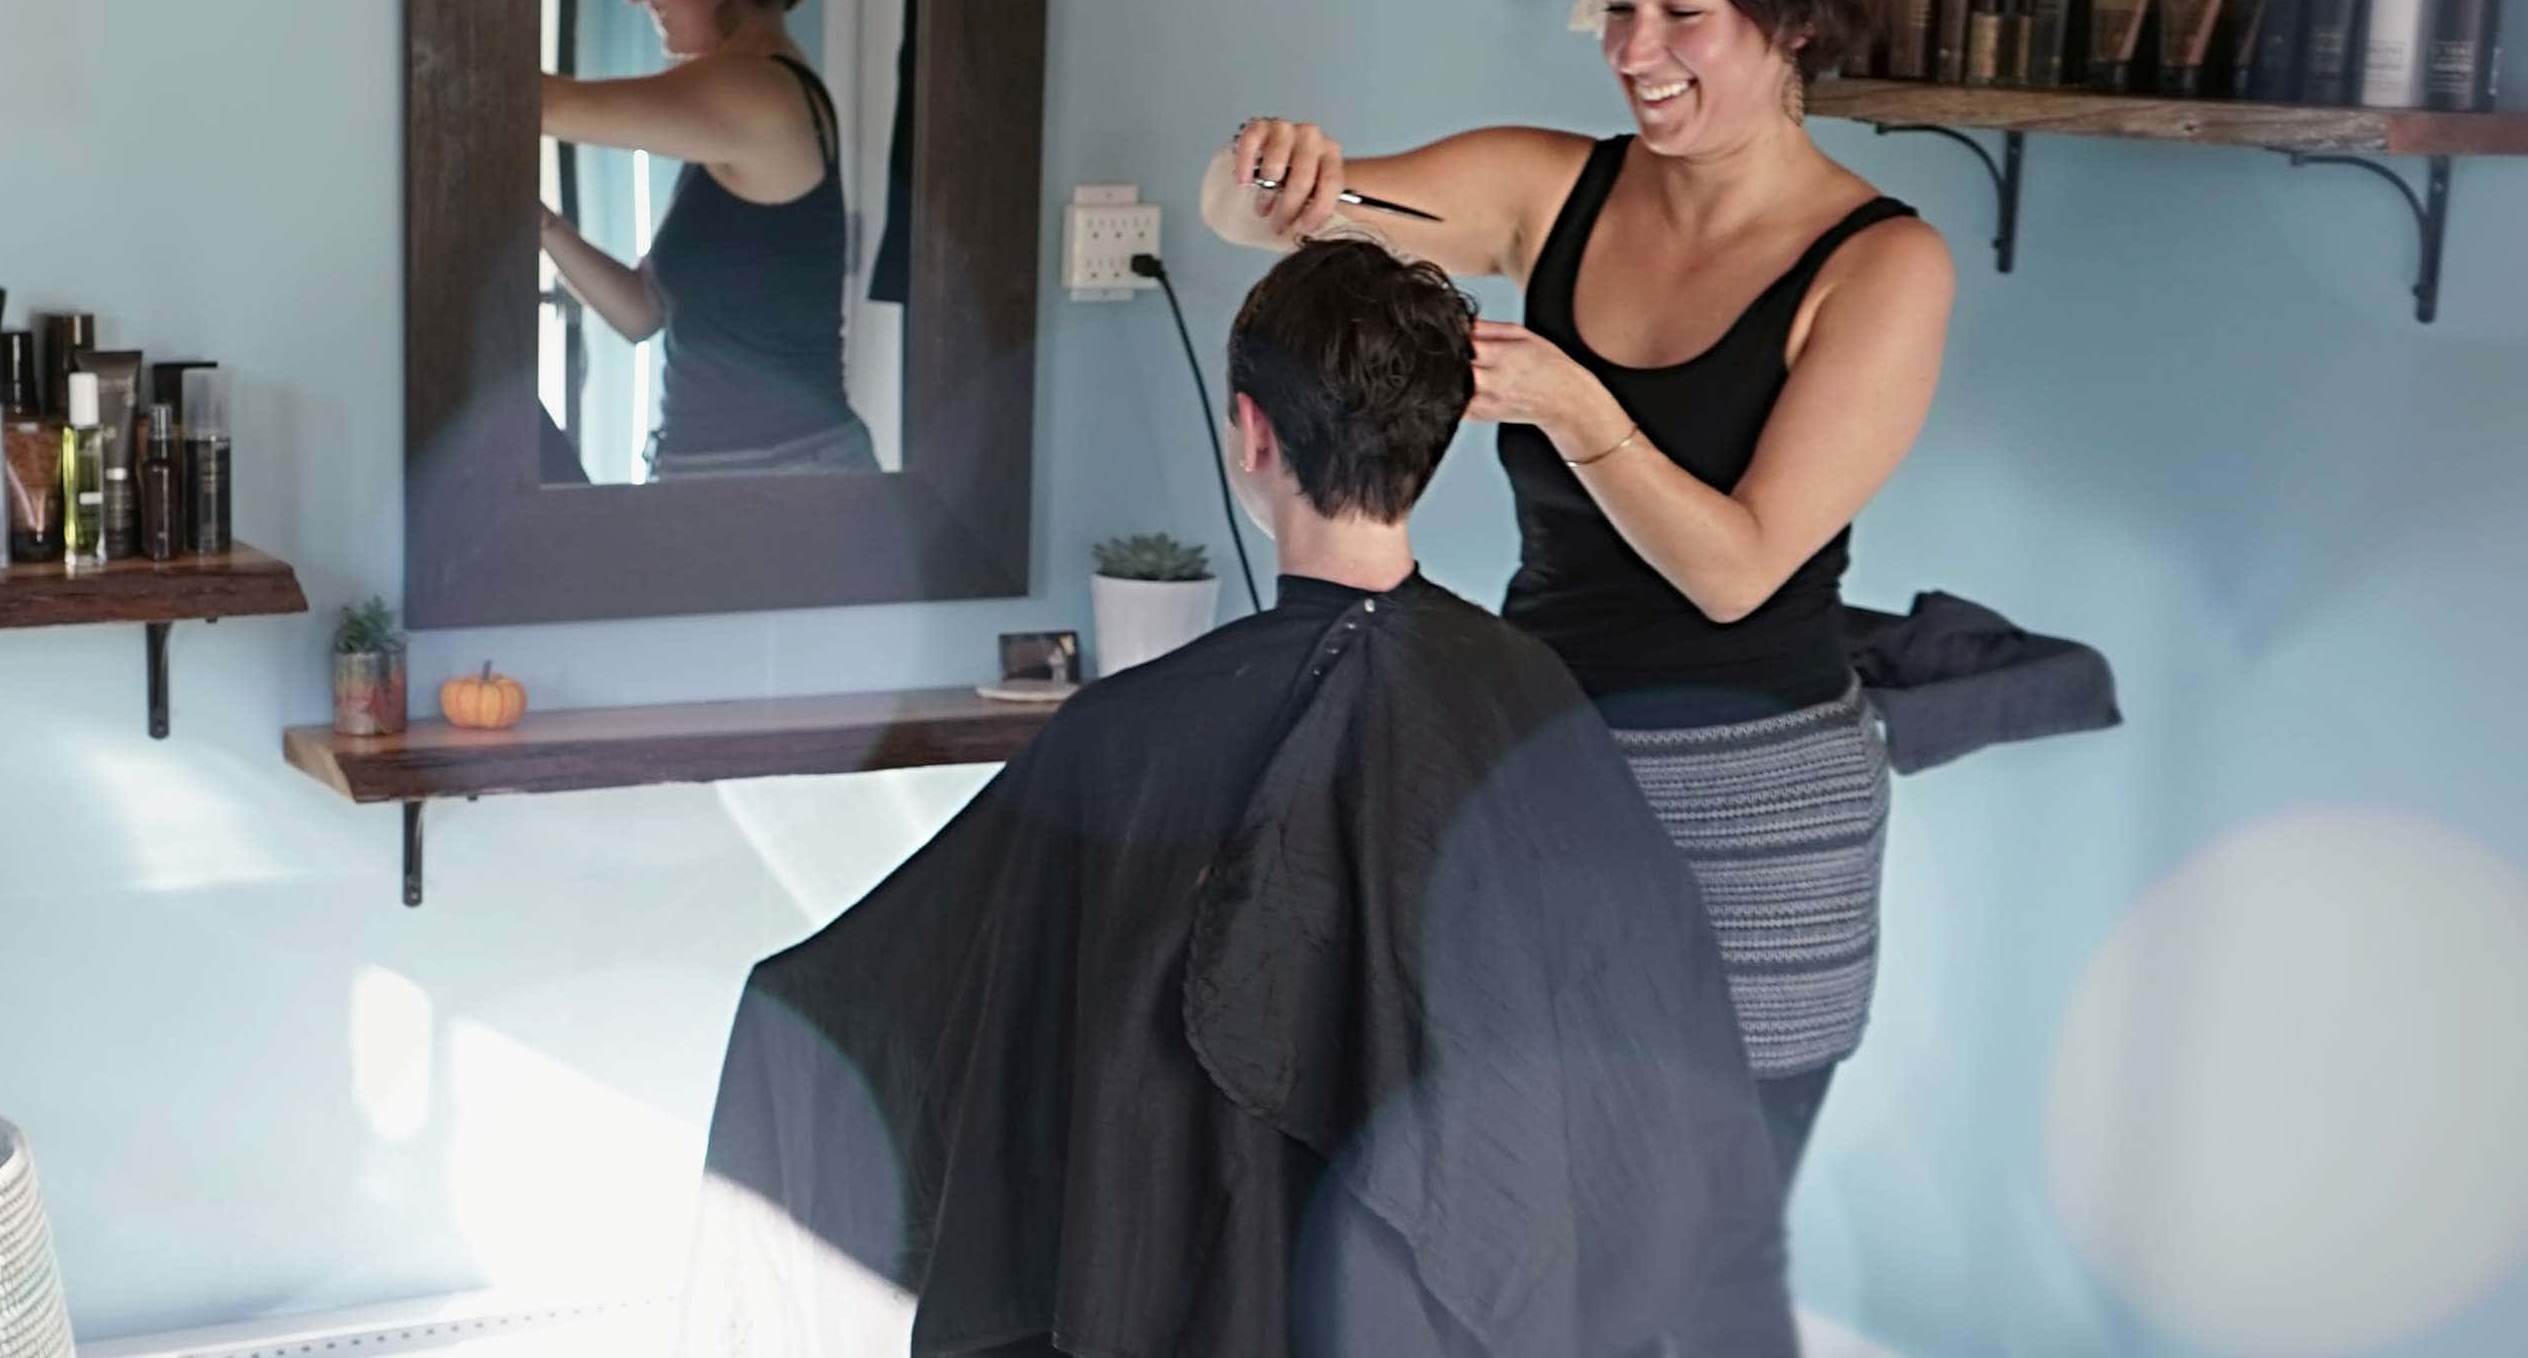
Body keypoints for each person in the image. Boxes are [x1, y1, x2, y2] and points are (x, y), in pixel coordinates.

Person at [677, 241, 1790, 1358]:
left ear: (1251, 431)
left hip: (1196, 1298)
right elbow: (1645, 1002)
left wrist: (786, 1009)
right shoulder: (1532, 696)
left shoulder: (1124, 734)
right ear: (1436, 441)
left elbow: (919, 996)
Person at [1203, 0, 1957, 1191]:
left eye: (1682, 12)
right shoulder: (1550, 190)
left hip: (1756, 824)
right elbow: (1291, 212)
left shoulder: (1882, 267)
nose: (1632, 52)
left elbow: (1735, 570)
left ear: (1795, 17)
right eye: (1617, 8)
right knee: (1495, 1219)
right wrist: (1261, 177)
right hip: (1534, 767)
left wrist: (1579, 406)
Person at [540, 0, 877, 478]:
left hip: (788, 486)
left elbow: (549, 107)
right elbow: (642, 312)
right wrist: (545, 227)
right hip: (727, 477)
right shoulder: (733, 113)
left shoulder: (758, 96)